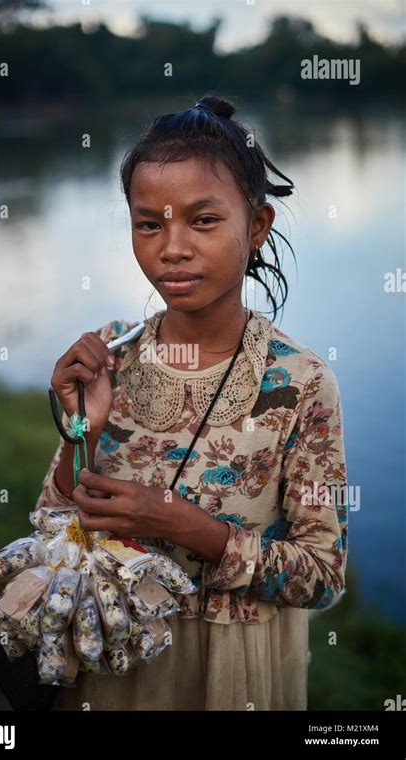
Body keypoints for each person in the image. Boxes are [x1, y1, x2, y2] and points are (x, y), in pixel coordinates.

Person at [34, 95, 349, 711]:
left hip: (232, 675)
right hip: (114, 659)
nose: (171, 248)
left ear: (257, 226)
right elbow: (54, 522)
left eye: (203, 221)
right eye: (149, 223)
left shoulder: (301, 382)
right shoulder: (110, 359)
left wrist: (185, 526)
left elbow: (321, 576)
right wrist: (81, 431)